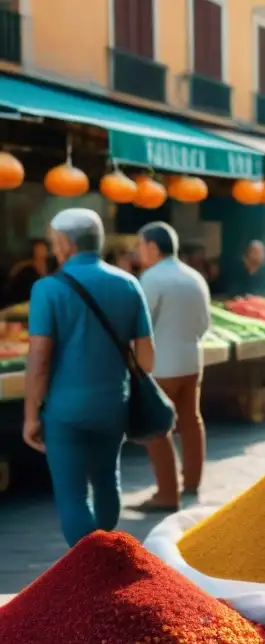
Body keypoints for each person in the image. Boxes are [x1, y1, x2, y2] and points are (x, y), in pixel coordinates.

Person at [23, 209, 155, 547]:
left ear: (66, 243)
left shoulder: (47, 289)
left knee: (72, 496)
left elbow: (38, 361)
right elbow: (147, 359)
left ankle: (90, 569)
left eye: (55, 241)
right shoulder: (129, 283)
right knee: (108, 482)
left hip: (65, 410)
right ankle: (106, 557)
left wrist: (31, 415)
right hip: (114, 404)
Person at [136, 222, 212, 511]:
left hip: (161, 364)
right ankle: (191, 481)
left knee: (156, 427)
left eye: (140, 246)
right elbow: (204, 324)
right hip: (192, 359)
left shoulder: (151, 279)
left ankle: (167, 493)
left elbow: (142, 327)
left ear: (153, 247)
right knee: (191, 420)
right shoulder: (195, 277)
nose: (137, 251)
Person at [4, 239, 50, 307]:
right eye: (39, 248)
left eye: (43, 248)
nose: (42, 251)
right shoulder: (27, 270)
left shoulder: (51, 263)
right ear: (33, 250)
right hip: (21, 304)